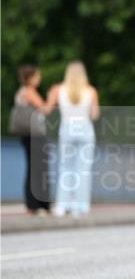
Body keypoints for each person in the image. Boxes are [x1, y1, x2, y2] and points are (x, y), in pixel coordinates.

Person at [46, 61, 100, 217]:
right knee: (83, 170)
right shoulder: (91, 91)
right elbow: (94, 115)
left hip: (67, 129)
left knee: (65, 169)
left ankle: (62, 206)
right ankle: (80, 206)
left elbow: (48, 108)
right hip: (85, 129)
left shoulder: (58, 89)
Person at [11, 65, 51, 214]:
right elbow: (45, 108)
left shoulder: (20, 92)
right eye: (37, 76)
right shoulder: (28, 92)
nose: (39, 79)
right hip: (35, 135)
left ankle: (32, 204)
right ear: (30, 78)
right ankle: (38, 205)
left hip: (27, 135)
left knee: (33, 168)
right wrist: (52, 96)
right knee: (39, 169)